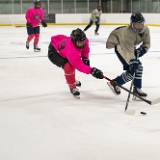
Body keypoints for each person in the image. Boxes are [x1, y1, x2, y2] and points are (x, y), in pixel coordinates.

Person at [106, 12, 150, 100]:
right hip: (121, 47)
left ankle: (135, 89)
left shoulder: (146, 30)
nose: (139, 27)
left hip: (130, 47)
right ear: (132, 24)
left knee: (138, 68)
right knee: (134, 67)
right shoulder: (126, 34)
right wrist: (132, 61)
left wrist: (142, 49)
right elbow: (128, 51)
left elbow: (147, 43)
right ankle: (115, 83)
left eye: (141, 24)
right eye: (137, 25)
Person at [48, 28, 103, 98]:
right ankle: (72, 86)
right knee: (69, 67)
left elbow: (85, 49)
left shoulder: (84, 40)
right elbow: (79, 65)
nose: (81, 43)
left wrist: (85, 57)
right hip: (54, 53)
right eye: (79, 42)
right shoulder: (72, 51)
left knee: (71, 64)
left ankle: (72, 79)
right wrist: (91, 70)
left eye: (82, 41)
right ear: (74, 41)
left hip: (62, 48)